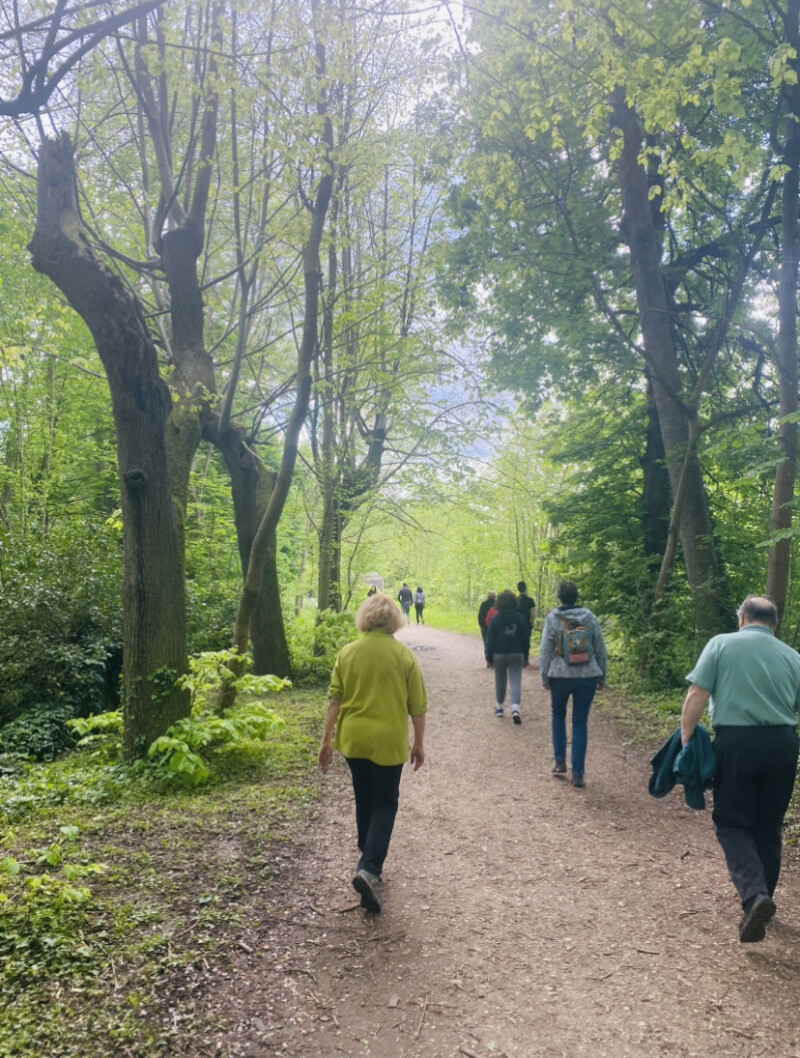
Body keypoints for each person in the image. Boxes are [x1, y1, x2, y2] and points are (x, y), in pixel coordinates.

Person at [680, 595, 800, 943]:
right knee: (769, 826)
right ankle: (764, 899)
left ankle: (754, 896)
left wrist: (687, 741)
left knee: (732, 823)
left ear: (742, 619)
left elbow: (696, 695)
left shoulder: (721, 645)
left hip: (736, 742)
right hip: (783, 744)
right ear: (774, 624)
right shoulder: (793, 657)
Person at [318, 593, 427, 914]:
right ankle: (370, 868)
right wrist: (419, 742)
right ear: (394, 620)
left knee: (364, 797)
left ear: (365, 619)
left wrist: (326, 740)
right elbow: (417, 706)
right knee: (385, 802)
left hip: (354, 740)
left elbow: (334, 700)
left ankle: (367, 853)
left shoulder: (348, 653)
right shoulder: (404, 655)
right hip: (388, 741)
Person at [539, 579, 607, 787]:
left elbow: (546, 650)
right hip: (587, 675)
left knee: (558, 715)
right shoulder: (589, 617)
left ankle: (560, 762)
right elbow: (600, 647)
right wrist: (602, 675)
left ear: (559, 597)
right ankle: (578, 773)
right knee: (580, 722)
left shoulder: (553, 618)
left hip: (560, 675)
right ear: (576, 596)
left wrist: (545, 676)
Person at [486, 588, 530, 724]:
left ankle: (500, 707)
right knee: (516, 679)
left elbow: (490, 639)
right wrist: (526, 656)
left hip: (499, 653)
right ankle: (515, 708)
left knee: (500, 679)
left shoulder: (496, 619)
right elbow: (525, 638)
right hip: (517, 652)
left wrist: (489, 657)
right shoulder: (521, 618)